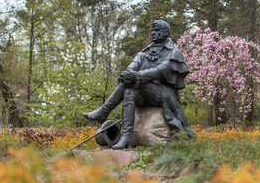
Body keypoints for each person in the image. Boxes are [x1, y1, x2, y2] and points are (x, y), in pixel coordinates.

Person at [82, 20, 196, 149]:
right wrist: (128, 74)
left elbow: (160, 71)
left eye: (157, 30)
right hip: (143, 95)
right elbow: (132, 67)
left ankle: (104, 111)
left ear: (165, 33)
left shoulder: (174, 52)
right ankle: (126, 137)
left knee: (132, 84)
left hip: (162, 95)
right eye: (152, 30)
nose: (153, 33)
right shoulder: (143, 53)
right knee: (129, 90)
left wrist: (136, 76)